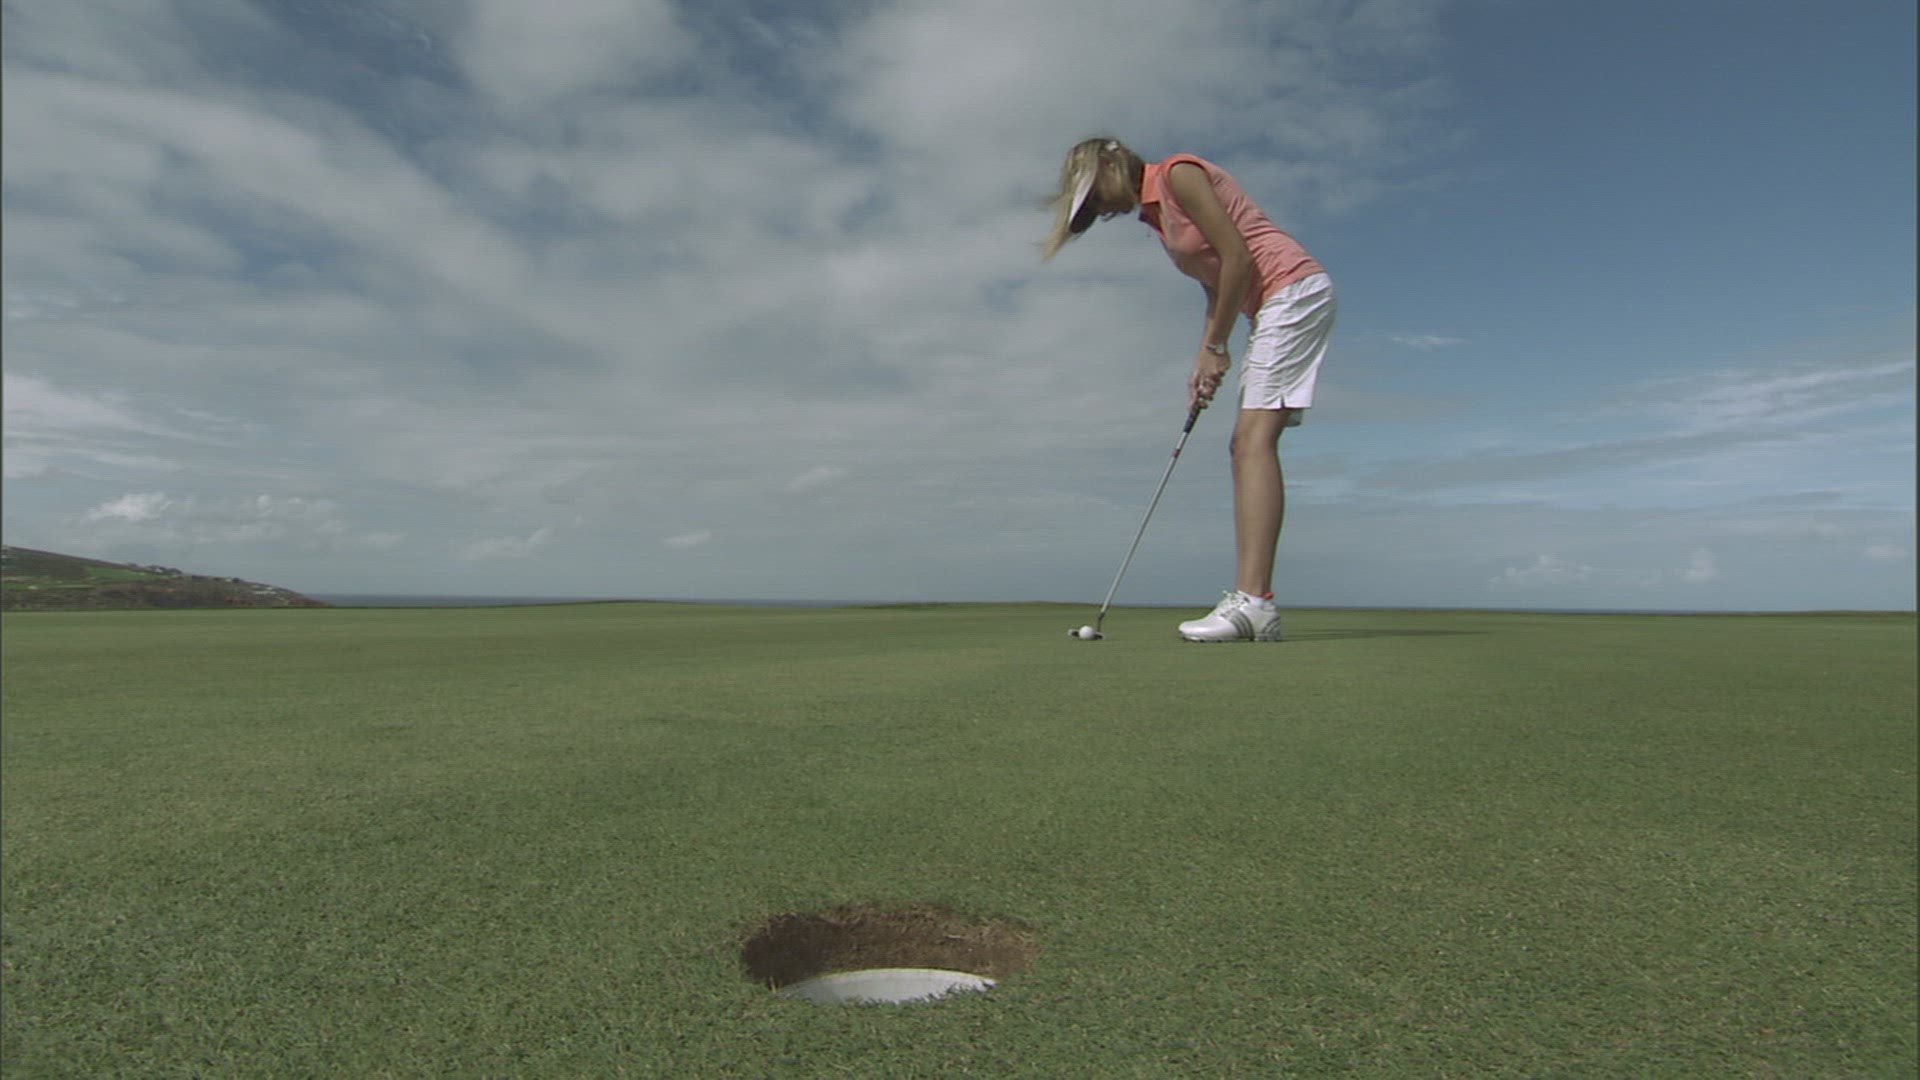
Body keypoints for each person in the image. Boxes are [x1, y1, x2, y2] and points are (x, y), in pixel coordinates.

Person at [1043, 137, 1337, 642]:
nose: (1101, 210)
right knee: (1247, 443)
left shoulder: (1179, 174)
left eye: (1095, 196)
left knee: (1251, 442)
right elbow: (1217, 286)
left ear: (1111, 163)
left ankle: (1255, 604)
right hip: (1270, 305)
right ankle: (1254, 601)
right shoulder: (1157, 218)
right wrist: (1205, 358)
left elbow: (1238, 258)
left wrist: (1218, 346)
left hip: (1291, 290)